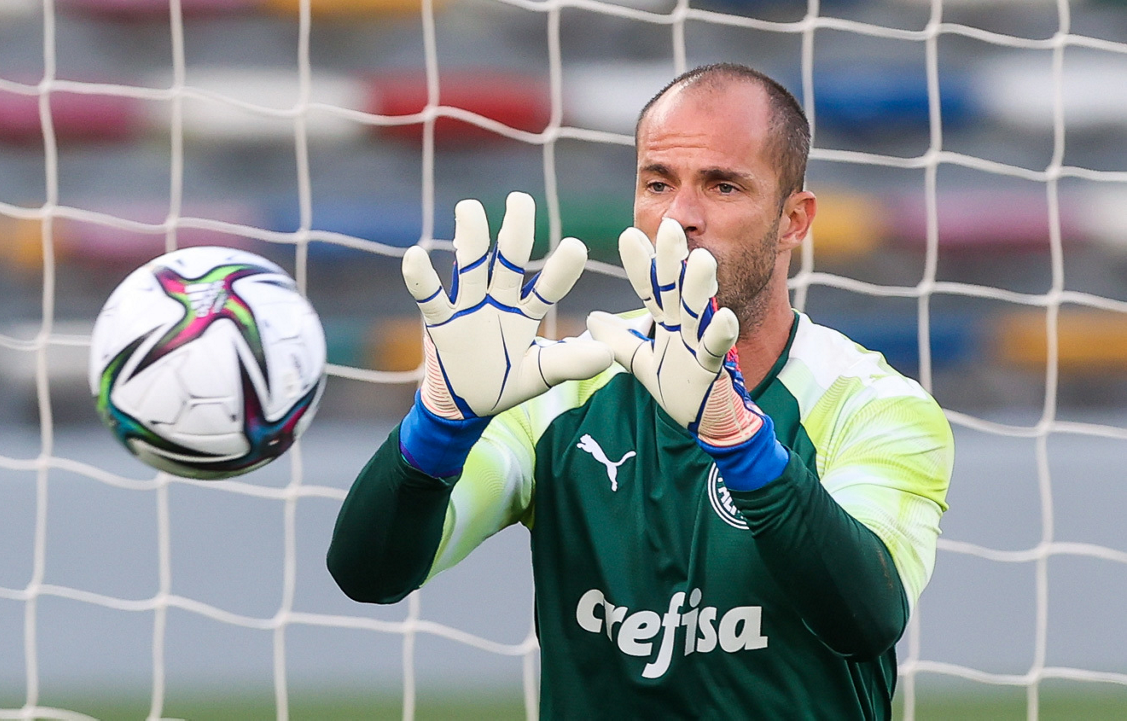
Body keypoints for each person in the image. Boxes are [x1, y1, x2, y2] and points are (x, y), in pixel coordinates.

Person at [327, 63, 953, 719]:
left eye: (722, 185)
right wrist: (437, 427)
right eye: (658, 183)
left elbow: (864, 617)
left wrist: (740, 443)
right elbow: (369, 573)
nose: (680, 217)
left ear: (793, 220)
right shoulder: (559, 390)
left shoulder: (874, 407)